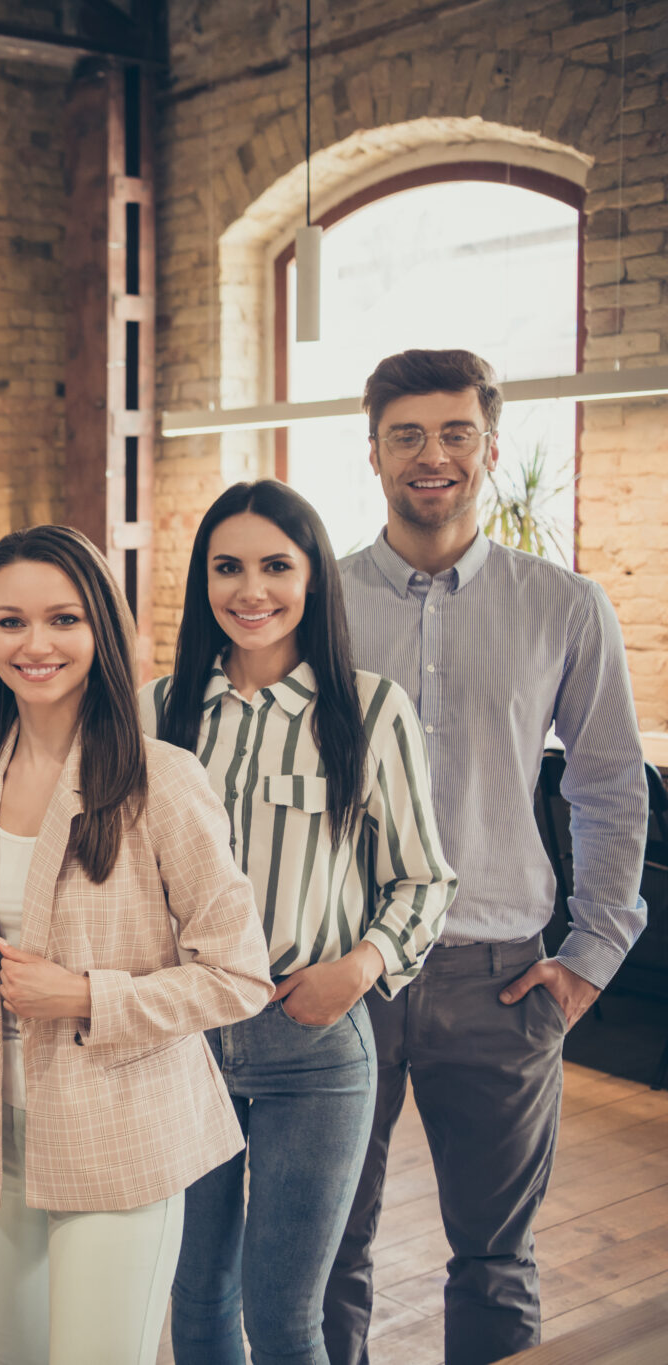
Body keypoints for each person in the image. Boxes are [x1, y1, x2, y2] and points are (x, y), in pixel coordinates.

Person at [324, 349, 649, 1365]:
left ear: (489, 449)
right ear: (371, 451)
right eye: (407, 435)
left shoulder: (563, 606)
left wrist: (589, 955)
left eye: (454, 433)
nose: (432, 457)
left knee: (495, 1258)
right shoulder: (313, 602)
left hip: (500, 978)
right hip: (343, 973)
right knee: (327, 1244)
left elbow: (606, 786)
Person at [0, 525, 273, 1365]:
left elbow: (240, 974)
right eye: (10, 622)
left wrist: (88, 995)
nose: (35, 644)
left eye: (62, 619)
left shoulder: (162, 780)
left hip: (120, 1142)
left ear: (102, 628)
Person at [145, 481, 457, 1365]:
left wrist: (356, 969)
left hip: (313, 1051)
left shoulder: (368, 709)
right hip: (182, 1048)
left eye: (276, 565)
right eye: (228, 567)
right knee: (196, 1302)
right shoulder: (157, 712)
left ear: (314, 577)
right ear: (204, 581)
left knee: (286, 1321)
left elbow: (425, 881)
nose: (252, 590)